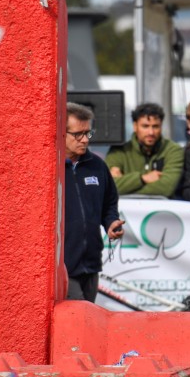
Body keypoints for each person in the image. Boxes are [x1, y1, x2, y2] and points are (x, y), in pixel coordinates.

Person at [64, 102, 123, 302]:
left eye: (88, 133)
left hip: (91, 264)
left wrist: (111, 222)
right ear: (61, 133)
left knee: (87, 323)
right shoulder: (51, 167)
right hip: (65, 267)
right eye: (77, 134)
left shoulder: (97, 165)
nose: (84, 140)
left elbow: (109, 202)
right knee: (80, 320)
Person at [106, 102, 184, 197]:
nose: (151, 132)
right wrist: (142, 178)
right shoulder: (118, 151)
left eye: (155, 126)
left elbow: (167, 188)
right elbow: (108, 186)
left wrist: (125, 187)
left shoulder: (173, 150)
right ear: (135, 126)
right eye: (145, 126)